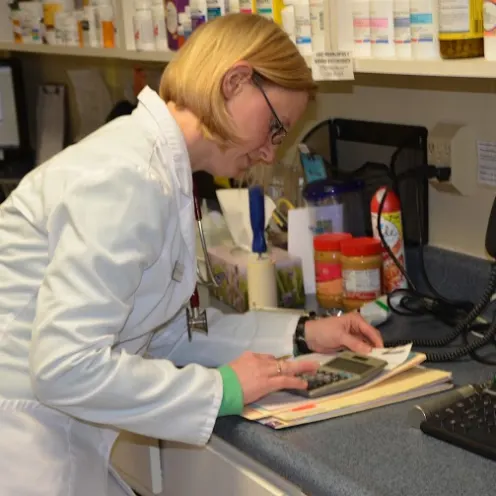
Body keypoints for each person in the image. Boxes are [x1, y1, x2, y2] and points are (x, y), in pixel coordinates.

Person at [0, 13, 383, 496]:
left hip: (54, 444)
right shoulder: (128, 176)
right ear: (235, 81)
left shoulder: (161, 173)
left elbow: (163, 331)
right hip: (21, 452)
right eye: (274, 127)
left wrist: (302, 333)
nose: (269, 153)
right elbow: (64, 368)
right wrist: (223, 389)